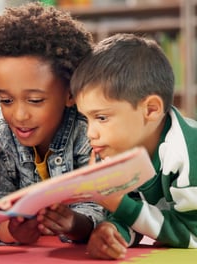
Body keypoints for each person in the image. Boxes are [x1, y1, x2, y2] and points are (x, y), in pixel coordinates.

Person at [0, 2, 104, 246]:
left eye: (35, 100)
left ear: (70, 93)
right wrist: (12, 232)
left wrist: (74, 224)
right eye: (6, 100)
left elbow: (101, 206)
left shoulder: (89, 130)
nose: (19, 115)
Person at [70, 33, 197, 259]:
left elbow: (192, 233)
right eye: (86, 119)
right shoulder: (115, 151)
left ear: (151, 110)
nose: (90, 133)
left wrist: (120, 204)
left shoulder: (188, 152)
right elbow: (139, 215)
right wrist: (111, 232)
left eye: (101, 118)